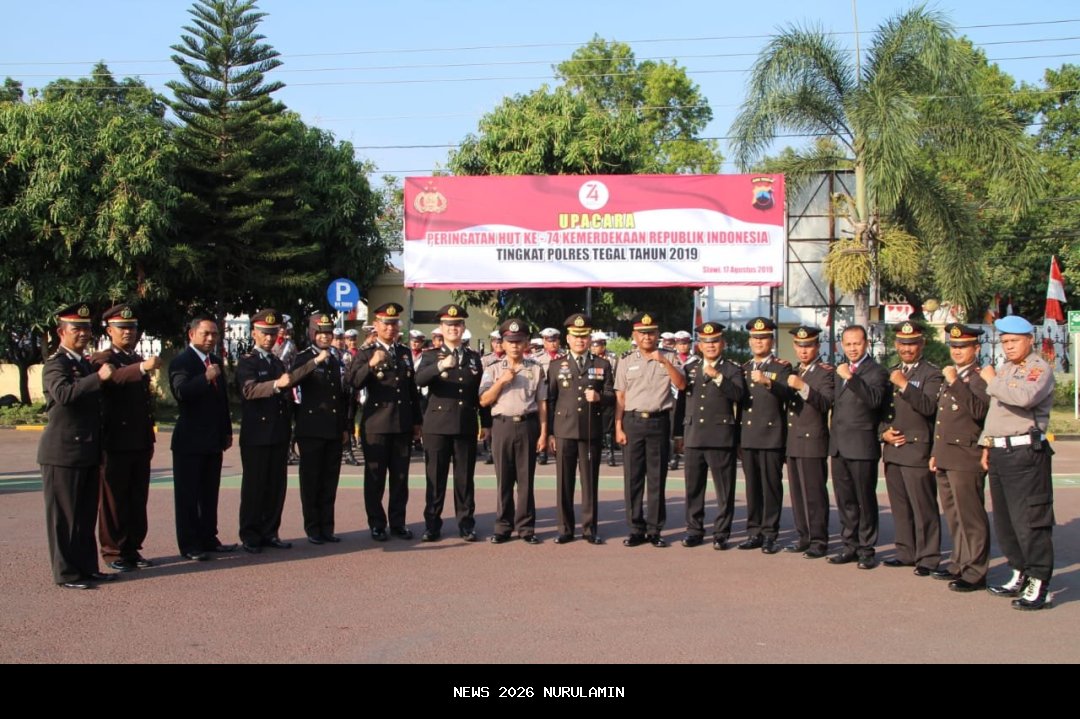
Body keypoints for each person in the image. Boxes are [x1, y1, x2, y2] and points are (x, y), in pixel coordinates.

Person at [979, 315, 1055, 610]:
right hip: (1000, 451)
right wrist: (987, 441)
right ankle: (1019, 570)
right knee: (1006, 520)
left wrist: (992, 381)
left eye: (1014, 341)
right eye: (1005, 342)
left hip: (1025, 453)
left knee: (1030, 519)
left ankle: (1039, 581)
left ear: (1029, 340)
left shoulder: (1038, 369)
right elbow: (995, 413)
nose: (1008, 347)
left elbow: (1024, 398)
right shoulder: (1007, 369)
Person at [38, 304, 116, 589]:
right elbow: (63, 394)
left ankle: (86, 567)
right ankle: (66, 572)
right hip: (63, 453)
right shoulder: (55, 364)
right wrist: (98, 378)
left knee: (84, 516)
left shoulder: (83, 363)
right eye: (77, 329)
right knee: (64, 518)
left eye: (86, 328)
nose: (83, 333)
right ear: (61, 332)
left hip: (86, 450)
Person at [236, 309, 323, 553]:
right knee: (255, 487)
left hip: (278, 432)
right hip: (257, 434)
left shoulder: (275, 361)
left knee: (276, 486)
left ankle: (270, 531)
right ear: (254, 333)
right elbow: (249, 391)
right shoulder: (247, 361)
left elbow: (290, 387)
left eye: (273, 333)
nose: (269, 337)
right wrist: (276, 384)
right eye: (264, 332)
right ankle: (251, 534)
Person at [92, 304, 162, 572]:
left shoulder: (134, 358)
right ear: (110, 330)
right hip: (115, 441)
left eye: (132, 328)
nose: (128, 333)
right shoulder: (102, 358)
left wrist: (149, 437)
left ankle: (132, 548)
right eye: (122, 328)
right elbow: (115, 379)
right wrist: (143, 368)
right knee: (113, 500)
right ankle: (113, 551)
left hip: (139, 440)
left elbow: (144, 403)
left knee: (136, 497)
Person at [346, 303, 422, 541]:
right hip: (376, 425)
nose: (390, 328)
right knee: (375, 477)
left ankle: (398, 522)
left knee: (400, 478)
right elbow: (353, 382)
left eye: (394, 324)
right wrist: (370, 364)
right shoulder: (366, 352)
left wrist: (417, 422)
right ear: (376, 326)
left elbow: (411, 390)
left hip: (401, 424)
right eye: (386, 324)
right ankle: (377, 523)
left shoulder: (403, 352)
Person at [415, 304, 491, 542]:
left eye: (457, 324)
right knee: (435, 479)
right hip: (437, 425)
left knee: (464, 479)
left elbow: (480, 393)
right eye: (449, 325)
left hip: (465, 424)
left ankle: (466, 524)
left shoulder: (473, 358)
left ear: (463, 327)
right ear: (441, 328)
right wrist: (440, 366)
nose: (453, 329)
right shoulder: (429, 355)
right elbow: (419, 380)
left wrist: (486, 423)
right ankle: (432, 525)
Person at [614, 312, 687, 547]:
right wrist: (618, 426)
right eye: (642, 333)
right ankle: (636, 528)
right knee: (633, 479)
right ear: (634, 335)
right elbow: (621, 397)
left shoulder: (671, 357)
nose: (647, 337)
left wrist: (664, 361)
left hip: (658, 422)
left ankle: (655, 530)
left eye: (651, 332)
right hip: (632, 423)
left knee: (656, 479)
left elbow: (682, 384)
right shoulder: (626, 361)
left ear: (657, 335)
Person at [880, 321, 946, 577]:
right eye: (903, 344)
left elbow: (929, 408)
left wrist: (905, 385)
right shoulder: (892, 371)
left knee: (923, 506)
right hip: (894, 448)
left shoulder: (931, 373)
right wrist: (882, 432)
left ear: (922, 344)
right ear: (896, 345)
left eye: (913, 343)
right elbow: (882, 410)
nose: (907, 348)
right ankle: (905, 552)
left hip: (917, 449)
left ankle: (928, 557)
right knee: (900, 505)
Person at [929, 323, 991, 592]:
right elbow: (942, 419)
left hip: (967, 456)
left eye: (963, 346)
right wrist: (935, 452)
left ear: (975, 348)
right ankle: (959, 562)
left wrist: (955, 381)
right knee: (954, 515)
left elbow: (978, 411)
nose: (957, 351)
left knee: (971, 516)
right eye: (953, 346)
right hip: (946, 454)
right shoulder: (953, 375)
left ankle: (976, 571)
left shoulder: (979, 377)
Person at [673, 322, 746, 549]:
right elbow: (682, 403)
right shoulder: (691, 368)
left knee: (724, 489)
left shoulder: (732, 369)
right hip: (694, 435)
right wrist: (677, 434)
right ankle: (694, 529)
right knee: (693, 487)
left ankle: (722, 532)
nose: (711, 345)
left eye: (715, 341)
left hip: (720, 436)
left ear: (722, 343)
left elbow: (739, 395)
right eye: (706, 342)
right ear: (699, 345)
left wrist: (718, 377)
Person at [170, 315, 236, 561]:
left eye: (214, 334)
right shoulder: (182, 361)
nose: (210, 339)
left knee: (209, 493)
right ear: (192, 334)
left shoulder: (216, 361)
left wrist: (227, 430)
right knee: (188, 495)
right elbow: (181, 392)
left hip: (212, 439)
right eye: (205, 334)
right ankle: (189, 544)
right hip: (189, 440)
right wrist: (205, 378)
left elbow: (222, 402)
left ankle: (209, 537)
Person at [547, 313, 614, 545]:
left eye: (584, 336)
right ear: (568, 338)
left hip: (589, 430)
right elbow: (551, 400)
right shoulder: (556, 365)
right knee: (564, 483)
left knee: (590, 482)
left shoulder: (602, 364)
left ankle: (589, 529)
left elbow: (611, 396)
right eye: (576, 336)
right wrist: (550, 433)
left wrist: (599, 397)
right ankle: (565, 529)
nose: (580, 341)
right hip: (564, 430)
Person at [479, 318, 548, 544]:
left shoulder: (536, 369)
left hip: (528, 425)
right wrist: (501, 382)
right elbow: (484, 400)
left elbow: (542, 403)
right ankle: (503, 527)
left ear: (526, 342)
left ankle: (526, 528)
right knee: (504, 479)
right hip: (503, 425)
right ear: (503, 343)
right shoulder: (493, 369)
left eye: (519, 341)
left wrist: (544, 432)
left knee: (526, 480)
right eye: (510, 341)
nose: (515, 345)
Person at [829, 325, 890, 569]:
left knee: (864, 499)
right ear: (841, 345)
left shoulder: (875, 371)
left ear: (866, 343)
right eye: (848, 344)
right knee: (845, 500)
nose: (852, 348)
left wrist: (851, 378)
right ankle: (849, 545)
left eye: (857, 343)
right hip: (839, 446)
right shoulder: (839, 370)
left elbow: (874, 400)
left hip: (862, 446)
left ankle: (866, 548)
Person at [293, 313, 349, 545]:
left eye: (328, 332)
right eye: (321, 332)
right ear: (312, 334)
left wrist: (344, 427)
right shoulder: (303, 358)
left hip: (333, 429)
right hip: (311, 429)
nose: (325, 336)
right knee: (311, 482)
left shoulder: (335, 360)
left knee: (329, 481)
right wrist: (314, 362)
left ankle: (327, 527)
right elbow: (293, 381)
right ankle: (313, 527)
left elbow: (341, 397)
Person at [738, 317, 792, 554]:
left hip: (771, 436)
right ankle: (754, 531)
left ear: (771, 340)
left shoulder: (782, 367)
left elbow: (787, 393)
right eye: (755, 338)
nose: (759, 342)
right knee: (752, 487)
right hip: (749, 435)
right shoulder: (745, 367)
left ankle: (770, 533)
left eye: (763, 338)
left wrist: (767, 380)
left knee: (771, 487)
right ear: (750, 341)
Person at [783, 326, 835, 559]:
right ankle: (804, 536)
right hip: (793, 440)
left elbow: (825, 403)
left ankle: (819, 539)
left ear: (817, 346)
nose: (804, 351)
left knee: (814, 493)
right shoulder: (794, 371)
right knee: (797, 492)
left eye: (808, 346)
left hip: (813, 440)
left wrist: (802, 387)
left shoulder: (824, 372)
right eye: (800, 346)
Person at [535, 327, 564, 466]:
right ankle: (542, 451)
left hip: (559, 395)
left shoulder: (565, 357)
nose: (552, 344)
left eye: (555, 340)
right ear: (544, 341)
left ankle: (557, 446)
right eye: (549, 341)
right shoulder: (536, 358)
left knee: (557, 422)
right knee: (542, 421)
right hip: (542, 394)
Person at [591, 332, 620, 466]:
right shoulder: (590, 359)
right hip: (594, 394)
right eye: (595, 345)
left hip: (608, 394)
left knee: (608, 425)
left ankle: (610, 454)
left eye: (600, 345)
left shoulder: (613, 358)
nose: (597, 348)